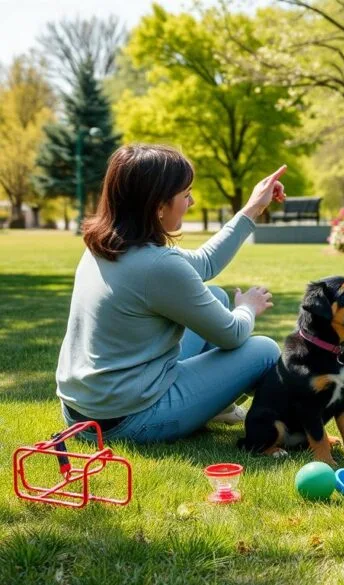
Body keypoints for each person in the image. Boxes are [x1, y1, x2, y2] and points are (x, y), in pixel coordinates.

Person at [56, 144, 286, 443]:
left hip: (81, 412)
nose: (190, 201)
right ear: (158, 206)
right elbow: (232, 334)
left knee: (214, 296)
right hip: (127, 420)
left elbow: (204, 263)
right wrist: (248, 307)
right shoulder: (158, 266)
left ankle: (215, 406)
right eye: (185, 194)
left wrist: (253, 207)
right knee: (264, 350)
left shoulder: (105, 244)